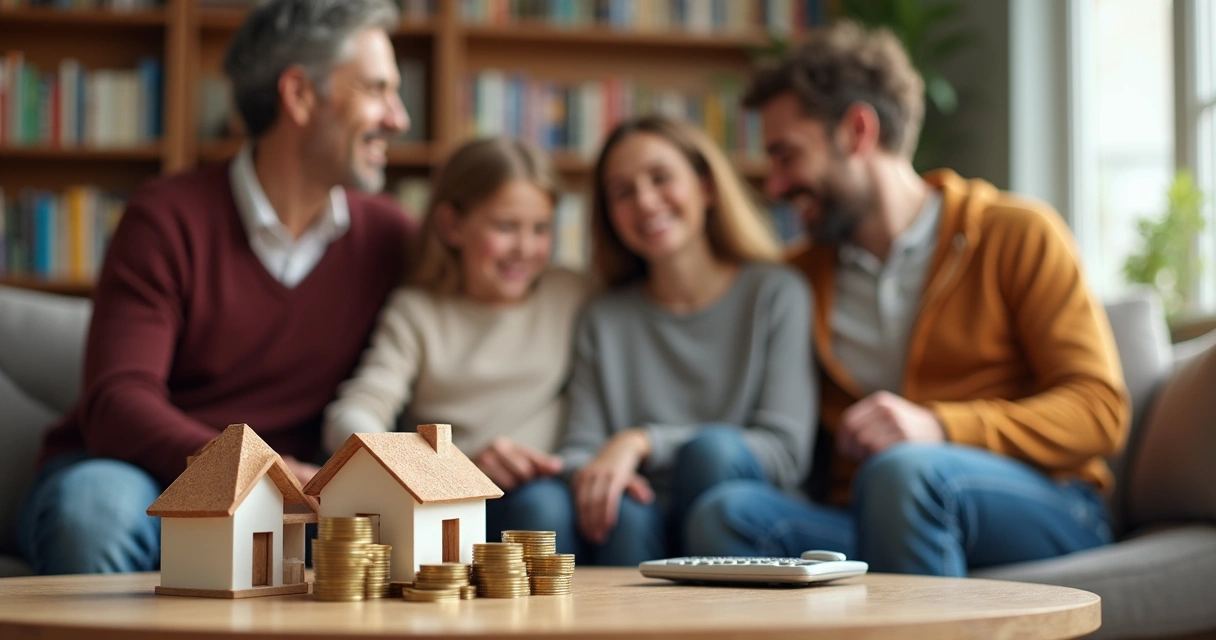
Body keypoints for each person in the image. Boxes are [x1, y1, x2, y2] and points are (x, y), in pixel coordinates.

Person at [685, 21, 1130, 576]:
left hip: (1046, 503)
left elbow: (1099, 411)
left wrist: (939, 427)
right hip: (872, 511)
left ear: (857, 131)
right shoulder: (798, 276)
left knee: (904, 473)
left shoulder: (1016, 233)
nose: (773, 186)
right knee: (726, 516)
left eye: (786, 156)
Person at [16, 0, 414, 575]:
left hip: (299, 497)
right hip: (143, 475)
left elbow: (478, 313)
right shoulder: (166, 217)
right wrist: (258, 468)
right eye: (377, 90)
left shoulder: (391, 237)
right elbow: (117, 403)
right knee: (92, 513)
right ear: (299, 95)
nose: (398, 118)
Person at [544, 115, 816, 566]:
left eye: (661, 178)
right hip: (638, 519)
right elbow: (580, 449)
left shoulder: (776, 293)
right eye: (623, 192)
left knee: (711, 454)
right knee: (623, 513)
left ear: (706, 188)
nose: (646, 201)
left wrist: (642, 442)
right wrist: (606, 475)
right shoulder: (604, 317)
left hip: (744, 516)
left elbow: (785, 451)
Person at [322, 137, 590, 541]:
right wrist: (448, 470)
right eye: (505, 226)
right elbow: (353, 415)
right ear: (451, 226)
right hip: (451, 500)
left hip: (549, 487)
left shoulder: (569, 293)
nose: (525, 248)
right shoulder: (418, 311)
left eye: (540, 229)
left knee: (543, 505)